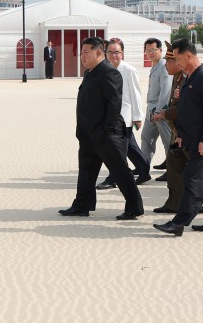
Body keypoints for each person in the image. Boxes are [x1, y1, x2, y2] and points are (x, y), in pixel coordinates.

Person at [59, 37, 143, 220]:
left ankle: (134, 207)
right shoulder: (90, 72)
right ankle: (82, 205)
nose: (82, 56)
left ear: (98, 53)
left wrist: (105, 131)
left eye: (86, 52)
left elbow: (114, 105)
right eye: (81, 53)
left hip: (107, 135)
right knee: (86, 171)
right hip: (88, 135)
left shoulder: (109, 73)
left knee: (121, 171)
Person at [153, 38, 203, 236]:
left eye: (177, 58)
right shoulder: (189, 77)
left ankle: (179, 222)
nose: (176, 62)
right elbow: (187, 111)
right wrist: (181, 136)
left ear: (188, 56)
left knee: (192, 180)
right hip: (192, 139)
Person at [96, 39, 151, 188]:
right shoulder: (104, 69)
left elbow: (136, 94)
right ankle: (144, 171)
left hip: (125, 117)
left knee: (116, 151)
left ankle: (112, 179)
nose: (113, 55)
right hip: (109, 117)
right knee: (130, 148)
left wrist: (137, 117)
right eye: (110, 52)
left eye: (117, 52)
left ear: (122, 54)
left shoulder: (128, 70)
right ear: (105, 53)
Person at [151, 43, 186, 214]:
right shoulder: (177, 78)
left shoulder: (186, 79)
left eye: (169, 61)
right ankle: (174, 203)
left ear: (179, 62)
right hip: (177, 131)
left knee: (199, 175)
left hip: (185, 134)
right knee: (174, 171)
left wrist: (164, 114)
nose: (165, 65)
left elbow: (185, 109)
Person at [140, 38, 172, 175]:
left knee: (168, 142)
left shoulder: (164, 66)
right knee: (146, 138)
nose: (150, 53)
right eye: (147, 50)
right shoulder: (155, 66)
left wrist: (159, 111)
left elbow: (166, 91)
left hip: (160, 111)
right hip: (151, 109)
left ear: (160, 50)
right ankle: (143, 168)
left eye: (153, 50)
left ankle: (171, 170)